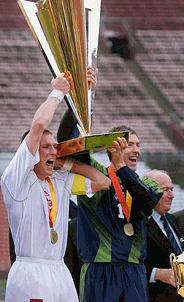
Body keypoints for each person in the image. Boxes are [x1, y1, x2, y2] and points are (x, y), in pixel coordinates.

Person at [0, 71, 111, 302]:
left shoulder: (59, 180)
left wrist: (64, 161)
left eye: (55, 147)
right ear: (29, 154)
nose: (53, 150)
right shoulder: (15, 179)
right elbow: (39, 123)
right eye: (46, 147)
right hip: (30, 273)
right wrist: (58, 91)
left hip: (60, 272)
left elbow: (103, 181)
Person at [59, 116, 163, 301]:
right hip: (100, 269)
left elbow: (148, 202)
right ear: (112, 147)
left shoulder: (148, 184)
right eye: (129, 144)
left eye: (138, 145)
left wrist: (122, 166)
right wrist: (74, 101)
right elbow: (67, 142)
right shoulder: (95, 175)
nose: (136, 150)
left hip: (134, 271)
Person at [143, 170, 184, 302]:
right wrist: (157, 274)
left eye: (172, 189)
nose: (172, 195)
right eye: (166, 190)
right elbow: (126, 267)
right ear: (148, 192)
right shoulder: (138, 224)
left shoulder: (172, 219)